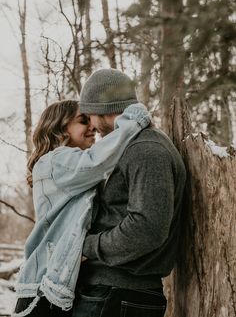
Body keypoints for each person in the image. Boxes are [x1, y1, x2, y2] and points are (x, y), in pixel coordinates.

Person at [12, 99, 151, 317]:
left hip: (54, 284)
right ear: (59, 127)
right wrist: (133, 120)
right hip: (43, 288)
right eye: (82, 121)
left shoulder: (69, 167)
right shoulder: (56, 161)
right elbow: (98, 161)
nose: (92, 127)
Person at [73, 68, 187, 317]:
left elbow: (147, 229)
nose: (92, 125)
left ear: (104, 108)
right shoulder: (131, 146)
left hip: (120, 294)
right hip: (114, 292)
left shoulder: (146, 149)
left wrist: (86, 245)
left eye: (90, 115)